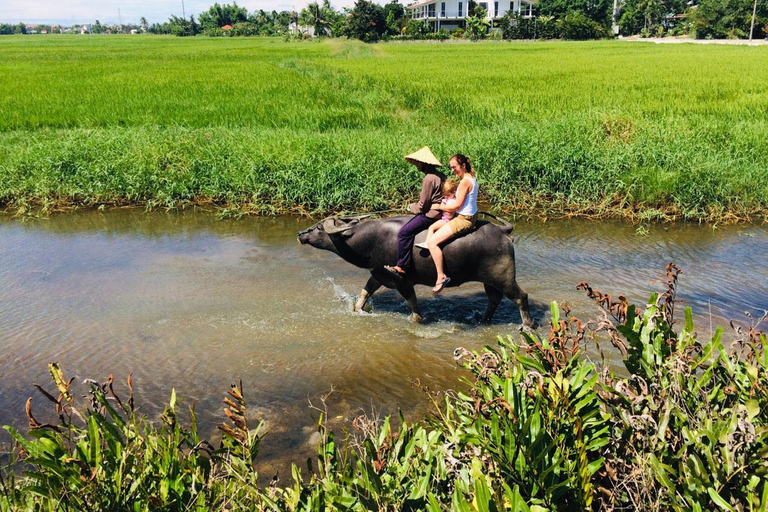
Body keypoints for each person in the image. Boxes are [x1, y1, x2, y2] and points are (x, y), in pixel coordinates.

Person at [384, 146, 446, 277]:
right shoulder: (441, 176)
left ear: (424, 163)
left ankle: (402, 266)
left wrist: (410, 207)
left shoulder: (428, 178)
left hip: (431, 214)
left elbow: (423, 205)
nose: (416, 165)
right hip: (442, 212)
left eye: (418, 162)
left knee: (404, 233)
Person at [427, 153, 478, 293]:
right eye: (451, 168)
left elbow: (455, 206)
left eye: (454, 167)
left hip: (463, 219)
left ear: (463, 165)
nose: (452, 170)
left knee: (432, 243)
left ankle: (441, 276)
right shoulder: (470, 177)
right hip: (470, 216)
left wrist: (438, 207)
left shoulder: (464, 182)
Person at [415, 179, 457, 250]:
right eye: (445, 195)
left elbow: (449, 213)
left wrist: (441, 206)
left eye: (448, 195)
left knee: (431, 227)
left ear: (453, 193)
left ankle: (427, 243)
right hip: (445, 219)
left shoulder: (451, 202)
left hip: (446, 220)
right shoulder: (452, 200)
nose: (446, 197)